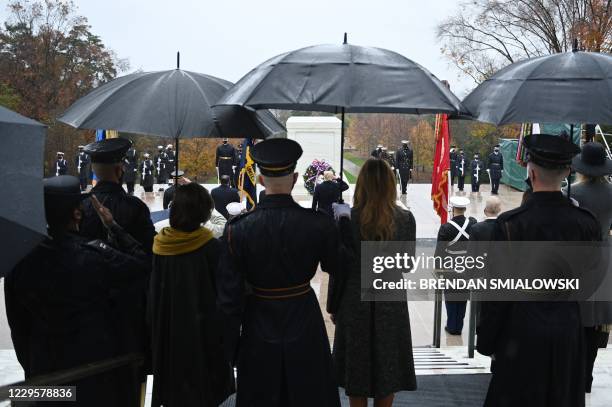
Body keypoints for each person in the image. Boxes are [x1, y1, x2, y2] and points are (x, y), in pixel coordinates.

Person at [217, 138, 345, 407]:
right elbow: (338, 267)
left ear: (260, 180)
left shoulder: (238, 229)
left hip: (258, 323)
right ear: (296, 177)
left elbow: (228, 301)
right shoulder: (317, 225)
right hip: (304, 319)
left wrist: (229, 351)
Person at [477, 134, 601, 407]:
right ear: (568, 171)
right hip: (567, 335)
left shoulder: (510, 225)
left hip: (519, 338)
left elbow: (496, 295)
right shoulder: (586, 224)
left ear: (530, 172)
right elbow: (592, 283)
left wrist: (486, 341)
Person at [5, 176, 149, 407]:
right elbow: (141, 265)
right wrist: (112, 226)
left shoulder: (20, 262)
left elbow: (18, 326)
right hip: (91, 378)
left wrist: (33, 371)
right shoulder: (93, 256)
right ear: (77, 214)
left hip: (43, 378)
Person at [331, 158, 417, 407]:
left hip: (354, 299)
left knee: (355, 373)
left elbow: (340, 267)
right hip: (390, 300)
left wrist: (333, 306)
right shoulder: (405, 219)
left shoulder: (348, 219)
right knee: (387, 372)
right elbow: (407, 264)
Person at [149, 182, 235, 407]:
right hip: (202, 337)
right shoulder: (211, 248)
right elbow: (226, 296)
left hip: (169, 336)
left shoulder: (160, 246)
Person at [568, 141, 612, 393]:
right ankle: (587, 375)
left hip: (578, 258)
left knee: (577, 316)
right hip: (605, 256)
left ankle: (574, 372)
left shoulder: (572, 192)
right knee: (597, 322)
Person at [81, 138, 155, 252]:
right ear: (120, 170)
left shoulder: (82, 205)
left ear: (93, 169)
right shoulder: (135, 207)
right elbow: (149, 247)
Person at [435, 195, 477, 335]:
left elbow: (439, 252)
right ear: (464, 209)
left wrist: (438, 268)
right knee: (463, 296)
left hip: (450, 266)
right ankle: (458, 324)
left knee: (451, 296)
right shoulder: (472, 225)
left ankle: (452, 326)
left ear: (452, 209)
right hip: (466, 265)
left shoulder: (446, 228)